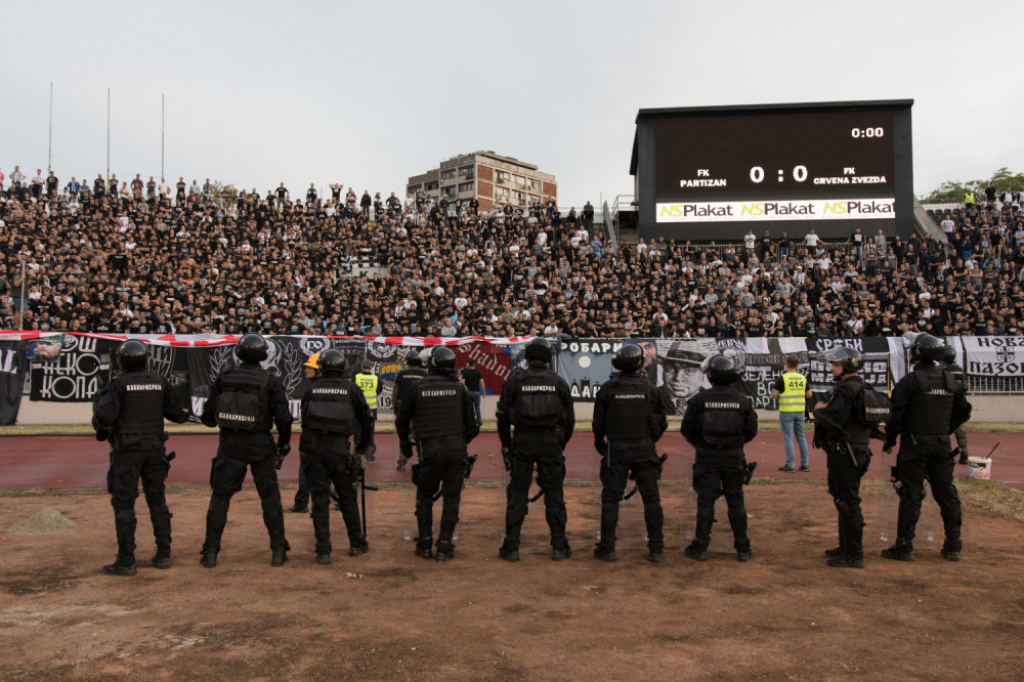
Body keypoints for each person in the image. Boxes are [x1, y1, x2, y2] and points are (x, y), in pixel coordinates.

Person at [91, 340, 190, 575]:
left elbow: (104, 418)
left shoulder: (118, 384)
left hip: (127, 452)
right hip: (155, 450)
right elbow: (177, 415)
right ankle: (163, 554)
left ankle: (127, 561)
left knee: (124, 504)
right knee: (158, 501)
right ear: (146, 360)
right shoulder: (160, 382)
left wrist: (100, 424)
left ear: (122, 361)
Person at [199, 334, 293, 568]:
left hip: (230, 444)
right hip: (260, 445)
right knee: (269, 497)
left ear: (239, 353)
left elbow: (208, 418)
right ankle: (278, 550)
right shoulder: (270, 380)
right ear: (263, 354)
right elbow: (284, 419)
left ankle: (210, 552)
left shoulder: (224, 377)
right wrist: (283, 445)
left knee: (220, 497)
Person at [882, 334, 972, 562]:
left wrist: (890, 440)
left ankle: (905, 546)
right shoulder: (950, 381)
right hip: (941, 444)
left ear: (919, 353)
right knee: (947, 493)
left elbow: (895, 415)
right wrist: (945, 430)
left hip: (915, 445)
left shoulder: (910, 381)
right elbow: (964, 411)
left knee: (911, 494)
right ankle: (953, 546)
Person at [396, 346, 479, 562]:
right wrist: (460, 442)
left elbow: (402, 420)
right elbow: (473, 426)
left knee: (424, 495)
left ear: (431, 365)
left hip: (429, 450)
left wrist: (406, 445)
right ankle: (444, 546)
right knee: (452, 498)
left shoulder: (417, 387)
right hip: (455, 450)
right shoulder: (460, 389)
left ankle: (424, 544)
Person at [496, 338, 575, 562]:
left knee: (518, 493)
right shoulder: (558, 381)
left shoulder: (515, 380)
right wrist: (560, 444)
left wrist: (507, 445)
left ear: (528, 356)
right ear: (548, 357)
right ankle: (559, 546)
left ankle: (511, 547)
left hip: (522, 442)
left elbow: (502, 417)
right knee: (554, 494)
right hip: (550, 443)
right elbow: (570, 419)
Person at [592, 343, 670, 563]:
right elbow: (661, 423)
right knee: (652, 500)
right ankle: (656, 549)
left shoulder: (607, 389)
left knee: (610, 500)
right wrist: (649, 442)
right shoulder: (652, 390)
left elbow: (598, 424)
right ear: (640, 364)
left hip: (616, 450)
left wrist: (602, 446)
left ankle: (608, 549)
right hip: (644, 450)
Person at [680, 354, 758, 562]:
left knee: (706, 502)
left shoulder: (699, 399)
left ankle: (701, 547)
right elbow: (751, 430)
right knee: (736, 501)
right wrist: (735, 445)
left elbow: (687, 429)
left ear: (710, 375)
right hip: (734, 458)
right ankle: (743, 548)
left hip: (707, 457)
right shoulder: (743, 400)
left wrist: (701, 445)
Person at [299, 349, 373, 564]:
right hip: (339, 450)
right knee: (347, 496)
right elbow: (367, 420)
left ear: (321, 367)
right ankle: (356, 543)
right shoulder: (351, 389)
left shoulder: (311, 389)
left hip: (314, 450)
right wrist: (362, 449)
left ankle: (323, 550)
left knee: (319, 500)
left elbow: (304, 419)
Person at [811, 347, 874, 569]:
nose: (832, 368)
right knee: (844, 500)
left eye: (836, 365)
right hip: (857, 450)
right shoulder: (863, 388)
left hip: (846, 453)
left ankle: (854, 554)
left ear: (848, 366)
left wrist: (819, 411)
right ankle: (845, 547)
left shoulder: (846, 390)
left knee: (848, 503)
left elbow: (835, 421)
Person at [290, 352, 322, 513]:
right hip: (331, 437)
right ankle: (339, 500)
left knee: (305, 469)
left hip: (311, 436)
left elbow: (305, 413)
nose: (306, 370)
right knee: (332, 469)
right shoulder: (334, 386)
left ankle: (301, 502)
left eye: (310, 367)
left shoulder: (311, 388)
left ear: (319, 370)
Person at [772, 354, 812, 472]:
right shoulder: (802, 378)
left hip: (787, 411)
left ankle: (790, 465)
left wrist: (780, 397)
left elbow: (774, 394)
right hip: (800, 411)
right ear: (797, 365)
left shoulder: (783, 378)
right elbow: (809, 394)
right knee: (801, 437)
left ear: (787, 365)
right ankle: (805, 464)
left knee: (788, 438)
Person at [393, 349, 427, 471]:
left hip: (404, 410)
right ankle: (422, 459)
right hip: (420, 410)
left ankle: (402, 460)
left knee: (404, 435)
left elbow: (395, 393)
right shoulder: (424, 375)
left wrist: (396, 409)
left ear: (407, 361)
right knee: (420, 435)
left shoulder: (401, 374)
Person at [942, 345, 970, 465]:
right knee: (959, 428)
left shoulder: (941, 370)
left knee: (943, 430)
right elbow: (965, 387)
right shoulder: (959, 370)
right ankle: (964, 453)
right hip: (958, 403)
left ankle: (948, 454)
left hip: (945, 403)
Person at [354, 360, 381, 463]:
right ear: (371, 368)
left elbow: (353, 391)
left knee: (358, 432)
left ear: (361, 367)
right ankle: (370, 456)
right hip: (371, 409)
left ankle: (356, 456)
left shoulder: (356, 377)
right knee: (369, 432)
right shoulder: (375, 378)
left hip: (358, 409)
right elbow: (378, 390)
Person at [461, 358, 486, 427]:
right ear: (475, 364)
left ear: (469, 364)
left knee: (469, 408)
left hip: (468, 392)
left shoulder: (465, 373)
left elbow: (462, 383)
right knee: (477, 407)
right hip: (476, 392)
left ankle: (470, 420)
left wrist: (463, 391)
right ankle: (479, 421)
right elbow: (482, 382)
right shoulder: (478, 372)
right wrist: (484, 392)